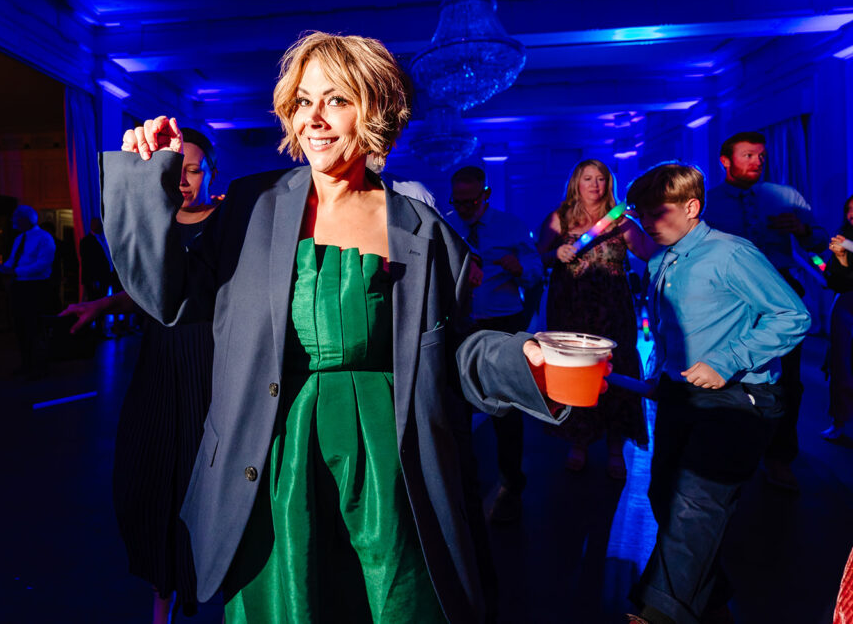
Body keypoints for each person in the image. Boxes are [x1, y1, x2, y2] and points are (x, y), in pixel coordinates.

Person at [101, 32, 583, 624]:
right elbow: (167, 296)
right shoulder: (251, 206)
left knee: (396, 603)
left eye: (336, 100)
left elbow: (451, 350)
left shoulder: (423, 229)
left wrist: (525, 360)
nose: (314, 118)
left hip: (391, 471)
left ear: (375, 110)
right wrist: (142, 182)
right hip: (271, 465)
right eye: (303, 101)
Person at [626, 162, 810, 624]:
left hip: (738, 400)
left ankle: (657, 613)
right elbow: (670, 330)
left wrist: (727, 361)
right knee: (663, 495)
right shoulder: (660, 260)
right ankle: (710, 599)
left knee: (696, 507)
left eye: (657, 211)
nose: (647, 222)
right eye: (641, 213)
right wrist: (660, 372)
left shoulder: (731, 253)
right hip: (679, 393)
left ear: (692, 207)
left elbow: (793, 316)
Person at [63, 127, 220, 623]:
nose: (184, 180)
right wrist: (101, 304)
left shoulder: (230, 223)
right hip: (159, 359)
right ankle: (162, 591)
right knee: (150, 474)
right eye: (176, 170)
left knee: (204, 477)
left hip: (213, 358)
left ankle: (212, 584)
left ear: (211, 173)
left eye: (193, 170)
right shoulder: (157, 224)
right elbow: (151, 289)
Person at [703, 131, 827, 492]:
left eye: (760, 156)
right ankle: (730, 450)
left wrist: (802, 230)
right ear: (725, 161)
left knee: (788, 379)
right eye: (747, 155)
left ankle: (779, 457)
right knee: (731, 373)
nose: (757, 162)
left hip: (781, 294)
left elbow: (820, 240)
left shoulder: (785, 196)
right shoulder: (708, 203)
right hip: (730, 299)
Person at [537, 159, 658, 478]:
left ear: (609, 183)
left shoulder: (621, 221)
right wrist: (555, 254)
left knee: (615, 372)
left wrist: (650, 220)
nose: (594, 184)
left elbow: (650, 252)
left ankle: (616, 448)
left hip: (612, 310)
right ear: (576, 183)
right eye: (588, 178)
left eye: (601, 178)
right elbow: (535, 257)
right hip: (571, 309)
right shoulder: (559, 219)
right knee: (576, 374)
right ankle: (578, 443)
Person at [446, 164, 542, 521]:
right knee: (457, 407)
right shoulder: (447, 224)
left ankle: (511, 484)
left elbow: (536, 273)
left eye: (471, 202)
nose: (464, 209)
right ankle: (462, 485)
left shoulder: (510, 226)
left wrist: (518, 267)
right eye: (458, 202)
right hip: (460, 325)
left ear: (485, 195)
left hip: (503, 323)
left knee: (506, 409)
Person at [0, 205, 56, 376]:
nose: (13, 220)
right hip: (19, 286)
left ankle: (39, 366)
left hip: (36, 287)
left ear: (25, 219)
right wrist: (4, 267)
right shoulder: (19, 238)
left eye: (16, 217)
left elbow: (43, 264)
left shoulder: (44, 238)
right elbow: (13, 259)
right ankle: (27, 364)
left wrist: (15, 271)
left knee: (35, 327)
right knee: (20, 326)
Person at [823, 194, 853, 441]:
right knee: (841, 364)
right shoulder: (842, 238)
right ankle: (840, 421)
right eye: (849, 210)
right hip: (846, 306)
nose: (852, 214)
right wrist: (841, 259)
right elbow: (833, 280)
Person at [79, 217, 115, 303]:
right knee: (96, 301)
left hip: (105, 276)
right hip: (96, 278)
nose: (101, 226)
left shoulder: (102, 239)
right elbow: (87, 262)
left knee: (104, 300)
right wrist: (92, 279)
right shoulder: (86, 241)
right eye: (99, 224)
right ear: (93, 225)